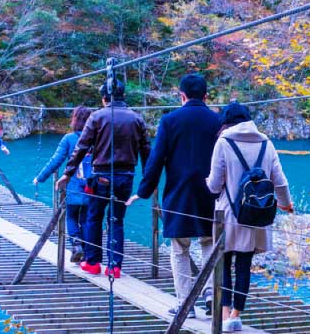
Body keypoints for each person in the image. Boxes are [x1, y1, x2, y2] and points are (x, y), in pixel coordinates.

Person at [131, 73, 221, 316]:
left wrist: (144, 190)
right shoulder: (218, 121)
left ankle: (185, 303)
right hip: (211, 192)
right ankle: (213, 294)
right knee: (209, 243)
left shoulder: (170, 120)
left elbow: (156, 159)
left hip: (179, 193)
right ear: (206, 96)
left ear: (181, 96)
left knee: (179, 248)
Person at [205, 102, 293, 332]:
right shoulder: (266, 143)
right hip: (255, 213)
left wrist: (206, 183)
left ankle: (223, 315)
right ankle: (236, 315)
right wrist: (285, 204)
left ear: (226, 121)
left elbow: (214, 184)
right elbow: (280, 180)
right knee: (244, 263)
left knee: (223, 261)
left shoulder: (223, 142)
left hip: (228, 213)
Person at [57, 81, 150, 279]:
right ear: (123, 95)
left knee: (94, 218)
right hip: (126, 176)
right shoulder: (137, 119)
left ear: (104, 98)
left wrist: (68, 172)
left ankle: (92, 262)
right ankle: (114, 267)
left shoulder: (97, 116)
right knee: (116, 221)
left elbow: (81, 147)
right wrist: (148, 180)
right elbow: (146, 151)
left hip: (101, 177)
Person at [35, 106, 95, 266]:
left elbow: (56, 161)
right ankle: (88, 253)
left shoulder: (68, 139)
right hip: (92, 188)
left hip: (74, 187)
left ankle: (76, 245)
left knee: (71, 216)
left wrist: (40, 178)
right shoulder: (97, 139)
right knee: (86, 219)